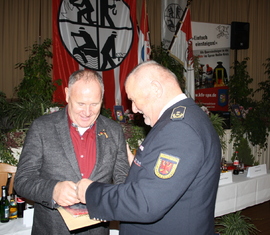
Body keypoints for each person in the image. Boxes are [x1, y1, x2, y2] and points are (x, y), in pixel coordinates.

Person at [76, 61, 222, 235]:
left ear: (155, 89)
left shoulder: (179, 129)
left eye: (134, 100)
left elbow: (146, 202)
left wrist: (91, 192)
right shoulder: (184, 118)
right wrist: (140, 168)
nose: (134, 109)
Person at [14, 70, 130, 235]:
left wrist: (109, 201)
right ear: (67, 94)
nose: (87, 112)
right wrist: (52, 190)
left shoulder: (114, 131)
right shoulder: (42, 128)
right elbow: (22, 180)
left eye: (94, 104)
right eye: (81, 104)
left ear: (102, 99)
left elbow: (122, 181)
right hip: (52, 229)